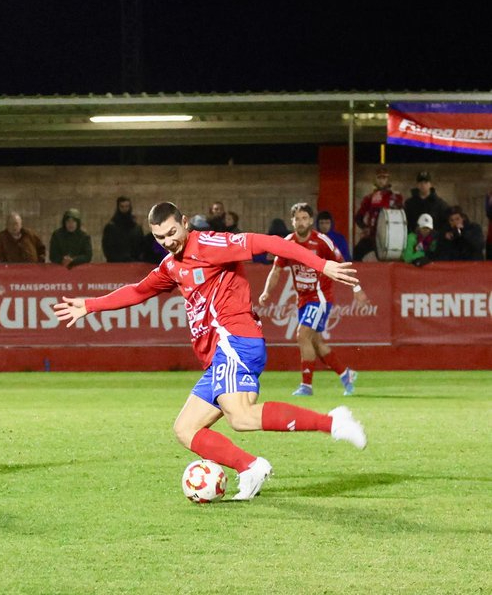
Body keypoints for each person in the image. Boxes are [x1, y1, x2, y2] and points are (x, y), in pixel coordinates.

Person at [54, 202, 367, 501]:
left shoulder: (211, 245)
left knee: (241, 417)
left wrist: (322, 264)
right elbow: (138, 291)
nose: (167, 241)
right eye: (160, 237)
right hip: (219, 355)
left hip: (235, 341)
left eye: (172, 233)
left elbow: (270, 243)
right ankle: (249, 467)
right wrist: (91, 305)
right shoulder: (171, 266)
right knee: (186, 429)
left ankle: (333, 423)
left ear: (185, 223)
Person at [259, 203, 367, 397]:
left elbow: (342, 265)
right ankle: (346, 374)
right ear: (292, 221)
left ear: (310, 220)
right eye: (297, 219)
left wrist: (356, 288)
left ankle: (306, 386)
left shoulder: (322, 241)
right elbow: (276, 270)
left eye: (304, 218)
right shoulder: (288, 243)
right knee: (315, 342)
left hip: (321, 298)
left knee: (302, 335)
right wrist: (267, 292)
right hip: (303, 299)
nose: (300, 222)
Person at [353, 165, 404, 261]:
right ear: (375, 180)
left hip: (390, 236)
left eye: (384, 178)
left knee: (394, 258)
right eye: (379, 178)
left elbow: (401, 217)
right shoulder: (370, 197)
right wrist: (365, 228)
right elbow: (358, 217)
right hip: (372, 235)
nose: (381, 181)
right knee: (357, 252)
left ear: (388, 179)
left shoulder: (395, 197)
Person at [102, 196, 144, 262]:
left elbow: (140, 246)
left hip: (133, 263)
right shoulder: (111, 228)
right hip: (115, 263)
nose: (125, 209)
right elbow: (107, 247)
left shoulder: (136, 228)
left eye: (127, 206)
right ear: (118, 207)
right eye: (122, 206)